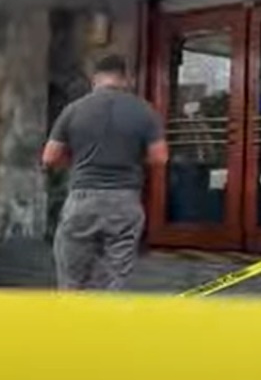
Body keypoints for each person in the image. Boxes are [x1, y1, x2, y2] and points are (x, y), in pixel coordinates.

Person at [42, 55, 169, 291]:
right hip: (124, 199)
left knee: (72, 278)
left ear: (95, 79)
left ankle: (73, 323)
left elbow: (49, 157)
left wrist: (77, 161)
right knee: (115, 278)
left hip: (83, 199)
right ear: (126, 78)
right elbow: (160, 157)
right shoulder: (144, 110)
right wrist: (132, 158)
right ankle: (107, 322)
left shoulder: (74, 110)